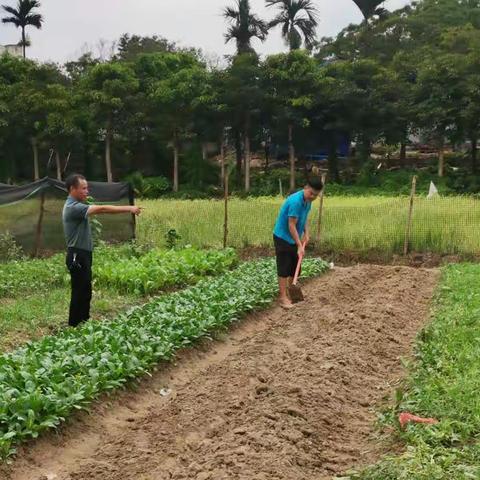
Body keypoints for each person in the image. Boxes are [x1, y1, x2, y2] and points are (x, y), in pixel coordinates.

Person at [62, 173, 141, 327]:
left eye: (87, 188)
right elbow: (102, 209)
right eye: (83, 188)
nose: (87, 191)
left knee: (85, 290)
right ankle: (74, 326)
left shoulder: (76, 206)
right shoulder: (73, 207)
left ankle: (83, 323)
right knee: (79, 292)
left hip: (83, 253)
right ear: (72, 189)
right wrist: (129, 208)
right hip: (77, 255)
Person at [273, 177, 323, 309]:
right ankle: (283, 298)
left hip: (294, 237)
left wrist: (306, 233)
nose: (313, 196)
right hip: (283, 237)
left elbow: (304, 217)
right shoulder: (296, 201)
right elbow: (291, 225)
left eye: (316, 195)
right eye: (311, 193)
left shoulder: (307, 201)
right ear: (306, 187)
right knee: (284, 268)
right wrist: (299, 245)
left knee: (295, 267)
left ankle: (292, 292)